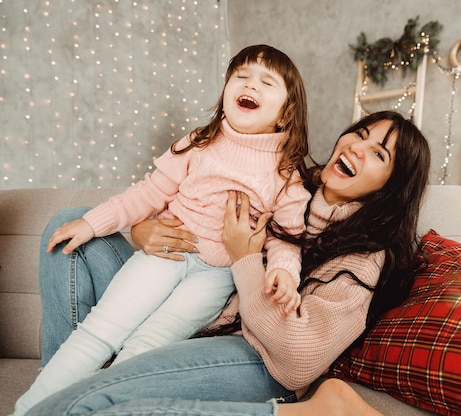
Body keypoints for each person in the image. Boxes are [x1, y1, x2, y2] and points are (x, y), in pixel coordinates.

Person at [24, 110, 431, 415]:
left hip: (256, 353)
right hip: (189, 302)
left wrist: (246, 257)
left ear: (391, 186)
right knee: (69, 227)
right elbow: (191, 206)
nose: (356, 148)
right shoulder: (285, 181)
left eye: (377, 153)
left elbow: (299, 359)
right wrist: (145, 231)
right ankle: (56, 386)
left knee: (98, 402)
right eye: (358, 134)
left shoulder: (364, 257)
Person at [13, 44, 312, 416]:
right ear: (225, 92)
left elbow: (286, 240)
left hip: (215, 277)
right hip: (165, 255)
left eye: (267, 82)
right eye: (241, 76)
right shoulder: (199, 143)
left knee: (147, 347)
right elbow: (149, 193)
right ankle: (29, 410)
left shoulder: (286, 177)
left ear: (286, 113)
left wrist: (284, 272)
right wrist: (93, 222)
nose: (250, 84)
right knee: (101, 329)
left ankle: (90, 408)